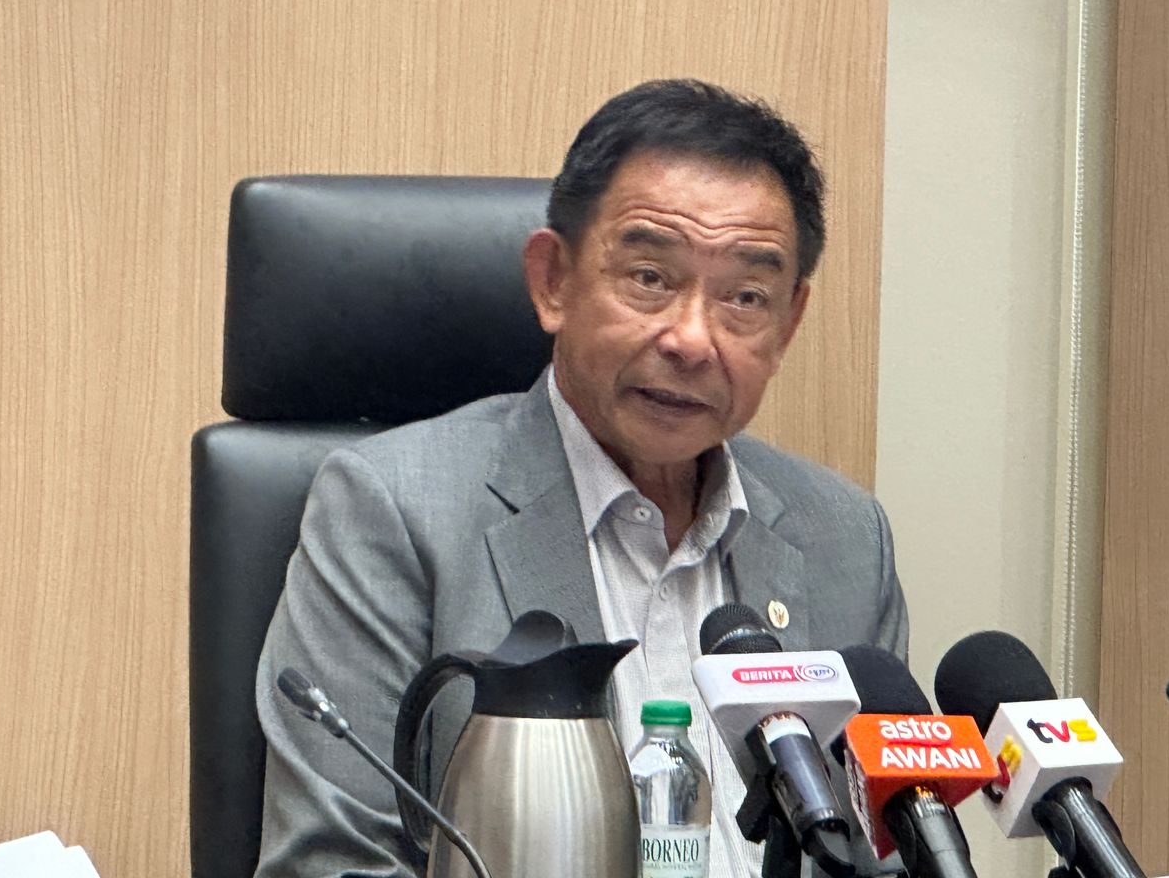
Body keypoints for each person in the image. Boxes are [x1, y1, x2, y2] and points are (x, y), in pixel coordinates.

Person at [253, 79, 908, 878]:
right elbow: (333, 866)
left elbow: (887, 853)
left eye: (745, 296)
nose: (691, 339)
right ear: (553, 281)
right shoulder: (392, 510)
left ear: (788, 324)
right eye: (650, 278)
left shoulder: (845, 539)